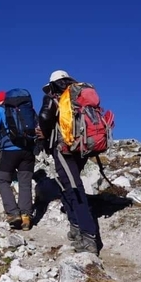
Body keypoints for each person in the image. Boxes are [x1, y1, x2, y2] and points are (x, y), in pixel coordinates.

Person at [36, 70, 100, 254]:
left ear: (53, 84)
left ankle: (89, 237)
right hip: (82, 146)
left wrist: (45, 134)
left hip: (64, 149)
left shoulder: (54, 97)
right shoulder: (79, 94)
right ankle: (75, 226)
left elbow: (45, 117)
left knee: (73, 187)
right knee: (67, 184)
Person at [29, 169, 133, 252]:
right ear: (45, 175)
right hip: (70, 192)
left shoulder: (38, 188)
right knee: (82, 200)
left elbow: (39, 202)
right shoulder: (54, 180)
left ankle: (79, 233)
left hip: (61, 197)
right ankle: (80, 233)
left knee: (73, 202)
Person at [0, 90, 36, 230]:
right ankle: (26, 217)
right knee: (25, 183)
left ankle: (13, 213)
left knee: (3, 180)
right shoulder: (25, 109)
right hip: (28, 150)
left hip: (9, 152)